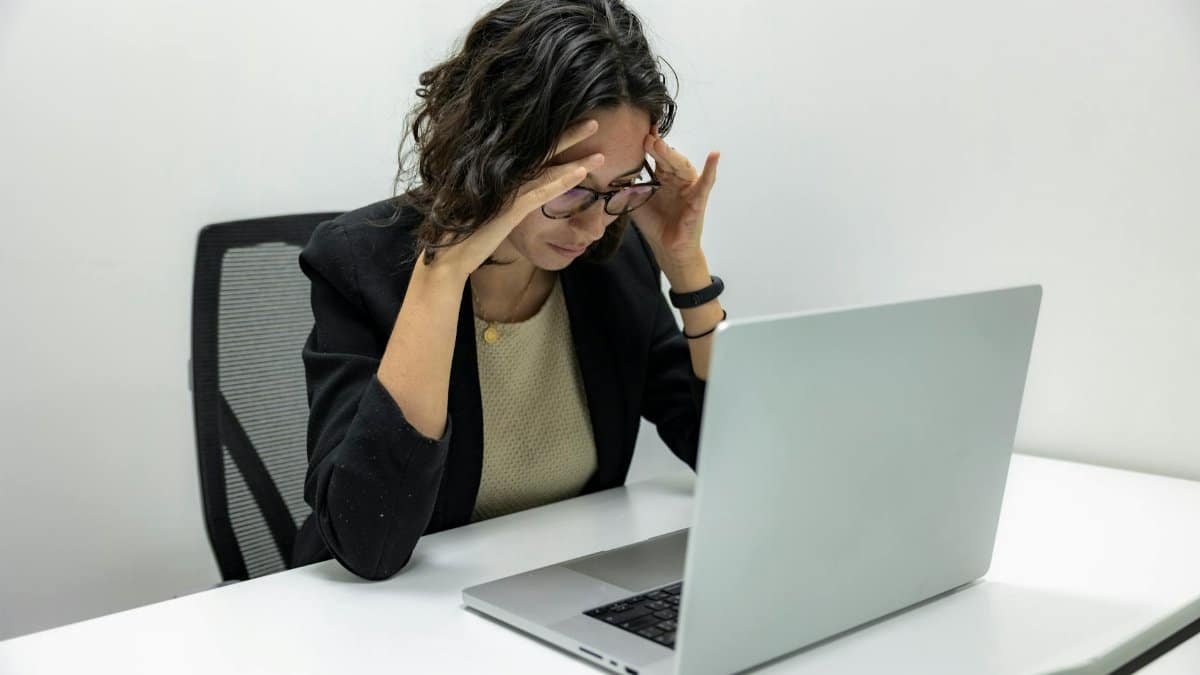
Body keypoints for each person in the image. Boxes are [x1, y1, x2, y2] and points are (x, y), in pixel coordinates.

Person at [291, 0, 725, 580]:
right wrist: (441, 276)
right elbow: (370, 542)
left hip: (556, 592)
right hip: (388, 622)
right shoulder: (359, 263)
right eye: (569, 189)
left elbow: (731, 459)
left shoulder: (612, 263)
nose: (594, 225)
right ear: (493, 155)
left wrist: (686, 267)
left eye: (620, 187)